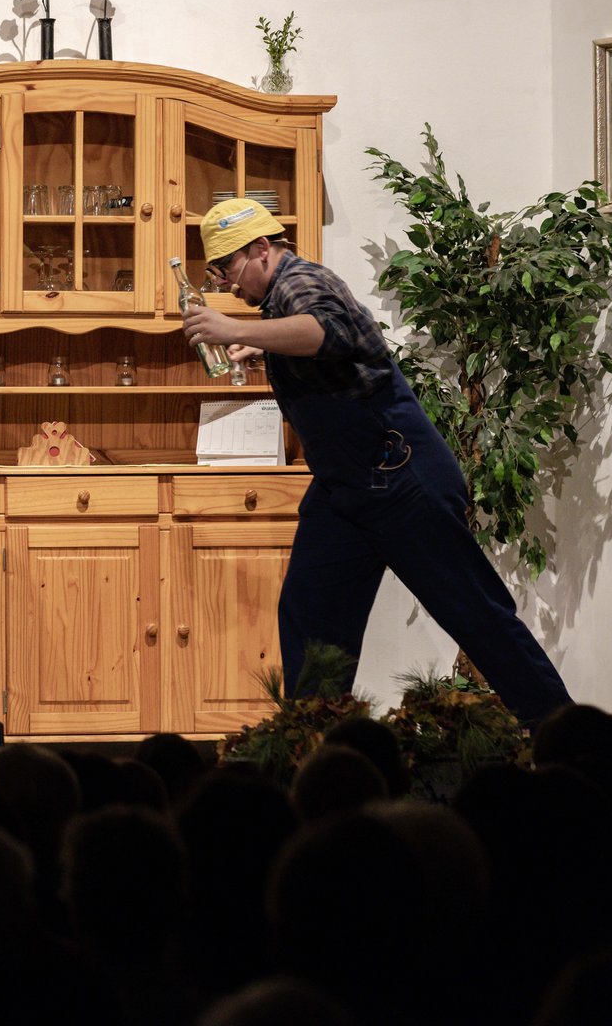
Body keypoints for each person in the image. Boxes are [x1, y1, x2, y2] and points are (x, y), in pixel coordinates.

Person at [181, 197, 573, 724]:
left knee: (477, 615)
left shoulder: (299, 281)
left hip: (403, 479)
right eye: (217, 272)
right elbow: (317, 342)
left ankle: (571, 740)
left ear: (261, 249)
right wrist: (266, 346)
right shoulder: (278, 300)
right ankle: (318, 746)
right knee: (312, 616)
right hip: (347, 489)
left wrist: (236, 331)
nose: (226, 284)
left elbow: (327, 331)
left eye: (227, 267)